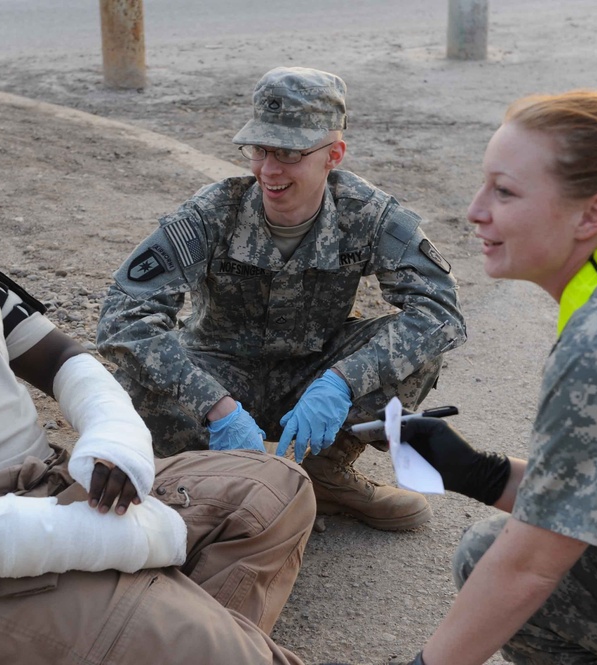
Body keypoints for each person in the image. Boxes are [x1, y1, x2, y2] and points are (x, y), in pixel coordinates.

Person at [0, 108, 322, 665]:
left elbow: (63, 357)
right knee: (223, 648)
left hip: (51, 486)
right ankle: (175, 631)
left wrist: (114, 437)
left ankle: (158, 627)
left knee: (277, 490)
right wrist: (120, 541)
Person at [396, 91, 597, 664]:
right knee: (487, 550)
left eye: (505, 191)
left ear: (592, 215)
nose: (475, 210)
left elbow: (532, 564)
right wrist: (478, 472)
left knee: (503, 566)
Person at [96, 67, 467, 532]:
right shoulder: (212, 213)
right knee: (130, 379)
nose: (269, 170)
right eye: (261, 150)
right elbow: (124, 317)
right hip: (219, 374)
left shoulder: (368, 213)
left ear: (334, 155)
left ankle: (324, 473)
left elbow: (441, 312)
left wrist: (342, 382)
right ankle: (218, 482)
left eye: (289, 154)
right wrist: (215, 405)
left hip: (315, 377)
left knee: (418, 352)